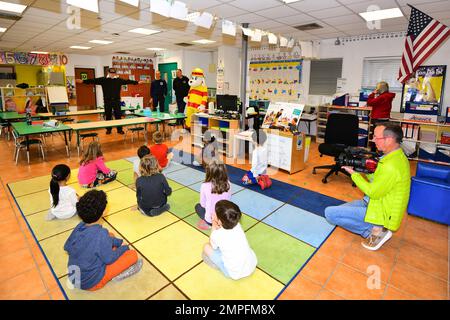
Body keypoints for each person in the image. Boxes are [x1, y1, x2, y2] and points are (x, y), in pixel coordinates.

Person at [324, 122, 411, 251]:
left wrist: (354, 175)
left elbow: (373, 192)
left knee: (330, 214)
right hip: (372, 203)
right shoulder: (395, 156)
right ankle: (374, 226)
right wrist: (364, 170)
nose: (373, 140)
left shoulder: (391, 166)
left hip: (381, 210)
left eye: (376, 137)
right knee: (340, 211)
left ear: (389, 140)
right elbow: (378, 179)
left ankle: (374, 230)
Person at [64, 190, 142, 291]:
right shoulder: (101, 233)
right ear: (103, 211)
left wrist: (117, 242)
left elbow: (67, 246)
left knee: (110, 235)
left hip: (73, 276)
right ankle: (117, 275)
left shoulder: (80, 226)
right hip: (91, 282)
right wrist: (123, 248)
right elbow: (109, 259)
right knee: (132, 255)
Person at [76, 68, 144, 134]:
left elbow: (128, 81)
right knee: (108, 116)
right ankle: (108, 129)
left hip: (117, 101)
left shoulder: (118, 80)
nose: (112, 74)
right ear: (108, 73)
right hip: (107, 101)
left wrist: (137, 82)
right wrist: (83, 81)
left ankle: (119, 130)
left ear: (115, 73)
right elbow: (93, 80)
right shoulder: (103, 80)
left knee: (118, 116)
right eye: (111, 73)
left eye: (113, 73)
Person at [202, 200, 257, 280]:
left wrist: (214, 223)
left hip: (234, 273)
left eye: (215, 213)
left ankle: (219, 267)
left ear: (220, 221)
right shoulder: (237, 225)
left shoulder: (218, 234)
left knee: (206, 247)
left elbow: (212, 245)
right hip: (251, 265)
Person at [195, 160, 232, 230]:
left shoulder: (205, 185)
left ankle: (210, 224)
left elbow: (202, 204)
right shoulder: (228, 184)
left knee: (198, 206)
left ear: (209, 173)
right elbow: (228, 199)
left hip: (210, 220)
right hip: (224, 218)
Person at [367, 81, 396, 150]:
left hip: (377, 119)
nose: (376, 89)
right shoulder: (388, 96)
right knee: (382, 136)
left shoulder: (382, 97)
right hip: (385, 118)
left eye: (377, 88)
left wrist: (372, 94)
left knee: (375, 136)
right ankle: (382, 151)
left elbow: (370, 102)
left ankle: (373, 151)